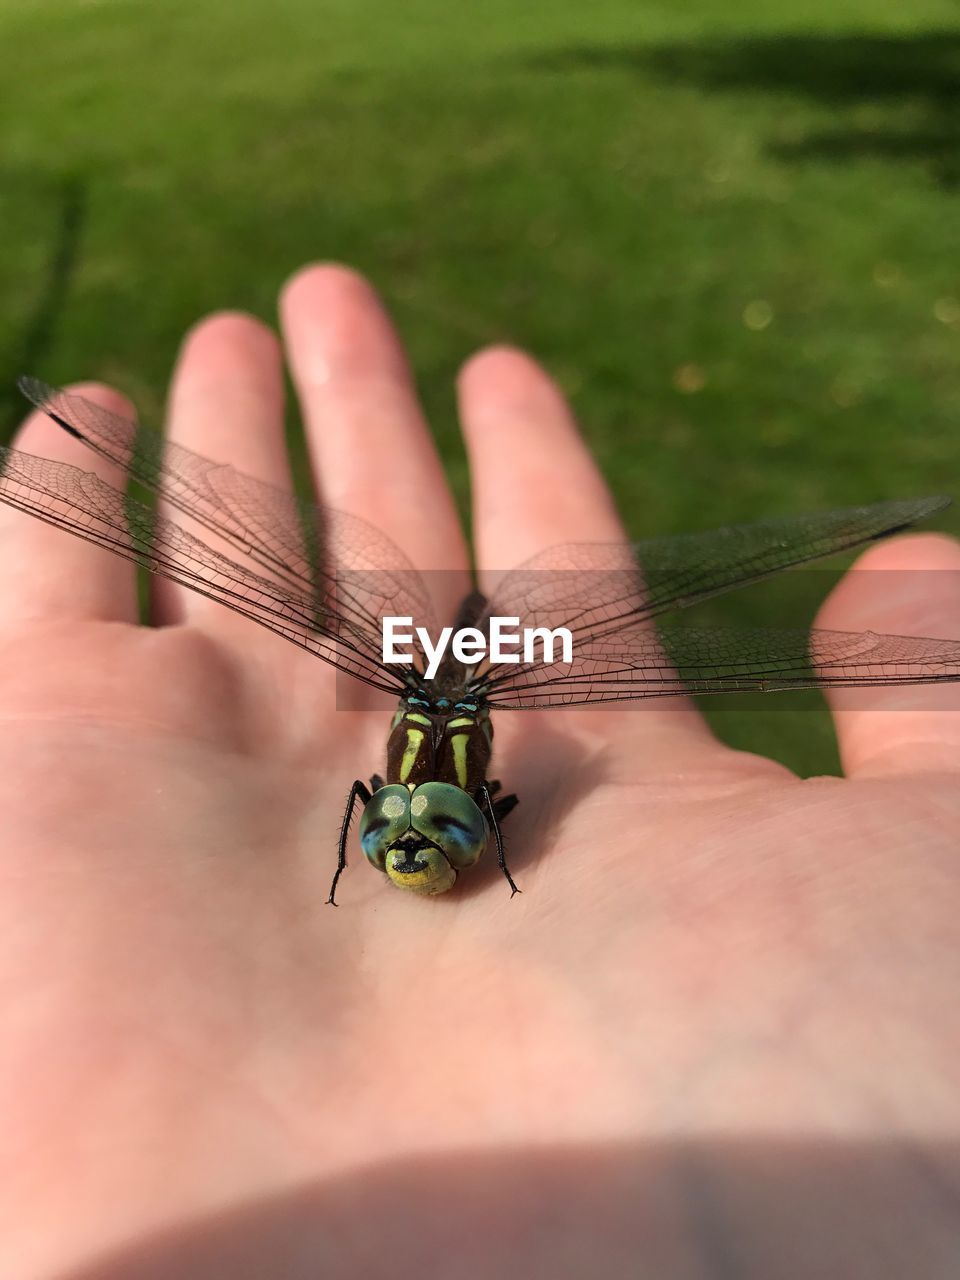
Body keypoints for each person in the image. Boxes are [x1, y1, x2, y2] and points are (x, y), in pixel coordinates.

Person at [2, 264, 958, 1279]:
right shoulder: (398, 798)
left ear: (481, 806)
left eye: (417, 831)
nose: (407, 842)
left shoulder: (483, 756)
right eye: (408, 833)